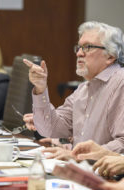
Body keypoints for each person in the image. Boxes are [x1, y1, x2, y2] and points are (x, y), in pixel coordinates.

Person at [23, 21, 124, 160]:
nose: (79, 53)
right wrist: (40, 88)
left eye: (87, 47)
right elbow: (50, 128)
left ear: (110, 56)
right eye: (79, 47)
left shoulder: (121, 83)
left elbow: (122, 144)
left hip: (109, 177)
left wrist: (77, 156)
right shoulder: (83, 89)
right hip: (81, 172)